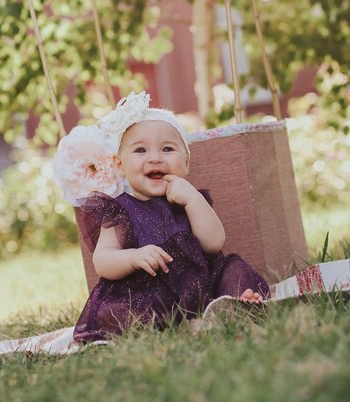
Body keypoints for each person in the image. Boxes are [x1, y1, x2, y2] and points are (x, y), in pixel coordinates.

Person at [72, 92, 269, 343]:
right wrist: (132, 257)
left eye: (167, 149)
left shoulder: (191, 200)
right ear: (120, 165)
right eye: (140, 150)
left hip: (203, 284)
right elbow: (102, 260)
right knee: (120, 311)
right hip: (148, 290)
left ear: (185, 163)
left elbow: (214, 243)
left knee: (233, 269)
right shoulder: (119, 210)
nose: (155, 157)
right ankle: (178, 326)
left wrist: (193, 200)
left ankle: (232, 305)